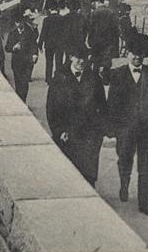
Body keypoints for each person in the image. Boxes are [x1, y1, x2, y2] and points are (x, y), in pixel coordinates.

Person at [107, 36, 148, 216]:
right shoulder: (118, 76)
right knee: (125, 159)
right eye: (133, 54)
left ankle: (145, 203)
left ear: (144, 56)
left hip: (146, 129)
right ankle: (124, 184)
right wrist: (112, 127)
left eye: (140, 54)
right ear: (127, 54)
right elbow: (112, 104)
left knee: (146, 165)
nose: (136, 57)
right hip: (125, 129)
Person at [46, 45, 108, 187]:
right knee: (70, 175)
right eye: (78, 58)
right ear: (70, 57)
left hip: (90, 134)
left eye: (84, 58)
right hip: (68, 134)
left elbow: (103, 106)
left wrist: (100, 130)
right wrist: (59, 131)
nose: (82, 61)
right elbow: (51, 108)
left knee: (89, 175)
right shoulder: (59, 78)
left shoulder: (94, 78)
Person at [5, 12, 38, 101]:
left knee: (25, 83)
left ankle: (23, 100)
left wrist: (35, 54)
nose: (19, 24)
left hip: (27, 62)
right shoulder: (12, 34)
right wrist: (13, 48)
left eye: (20, 22)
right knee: (18, 83)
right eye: (17, 23)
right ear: (15, 23)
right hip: (16, 63)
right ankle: (20, 100)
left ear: (23, 22)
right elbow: (7, 48)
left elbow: (34, 44)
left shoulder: (29, 32)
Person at [88, 0, 119, 85]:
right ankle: (106, 78)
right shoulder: (111, 13)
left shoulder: (94, 13)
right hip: (108, 40)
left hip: (96, 40)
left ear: (98, 4)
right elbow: (115, 28)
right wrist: (114, 41)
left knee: (96, 58)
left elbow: (91, 27)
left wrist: (90, 39)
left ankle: (94, 78)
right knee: (107, 59)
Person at [39, 7, 64, 84]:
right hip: (59, 44)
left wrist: (40, 44)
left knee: (49, 62)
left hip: (49, 44)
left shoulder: (46, 20)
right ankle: (58, 78)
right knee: (59, 62)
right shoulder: (62, 18)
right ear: (57, 10)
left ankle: (48, 78)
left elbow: (43, 32)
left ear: (50, 10)